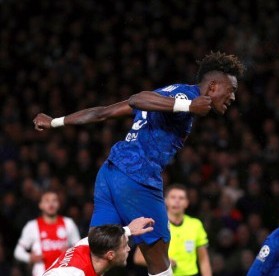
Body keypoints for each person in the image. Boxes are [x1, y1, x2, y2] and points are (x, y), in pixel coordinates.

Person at [33, 51, 245, 276]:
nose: (233, 97)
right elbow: (137, 99)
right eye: (231, 90)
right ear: (212, 86)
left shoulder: (169, 93)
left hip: (109, 173)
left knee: (99, 251)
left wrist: (55, 121)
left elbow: (104, 113)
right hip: (137, 178)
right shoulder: (185, 96)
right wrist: (189, 106)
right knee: (161, 263)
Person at [133, 184, 212, 276]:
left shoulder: (196, 224)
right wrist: (165, 263)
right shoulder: (155, 223)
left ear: (187, 202)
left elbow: (204, 260)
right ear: (166, 201)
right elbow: (138, 258)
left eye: (181, 198)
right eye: (173, 197)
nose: (177, 201)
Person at [43, 217, 155, 275]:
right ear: (110, 255)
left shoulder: (87, 244)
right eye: (125, 246)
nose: (129, 248)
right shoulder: (73, 273)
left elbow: (103, 236)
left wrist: (129, 230)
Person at [14, 190, 81, 276]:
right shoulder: (32, 226)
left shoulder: (68, 223)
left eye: (54, 200)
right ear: (40, 205)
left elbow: (79, 248)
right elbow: (18, 252)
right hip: (41, 273)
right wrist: (30, 258)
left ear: (59, 204)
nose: (51, 204)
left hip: (65, 273)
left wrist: (70, 252)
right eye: (47, 200)